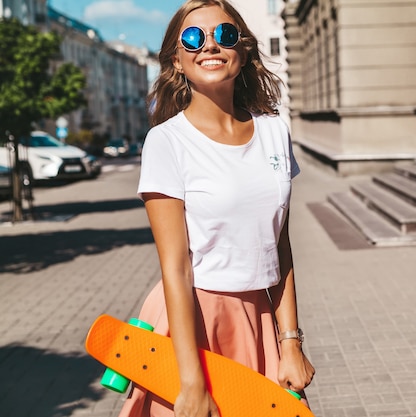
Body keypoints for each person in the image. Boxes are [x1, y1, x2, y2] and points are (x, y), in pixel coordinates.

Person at [117, 1, 315, 416]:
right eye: (193, 38)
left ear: (242, 52)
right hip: (193, 320)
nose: (210, 46)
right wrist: (191, 380)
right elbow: (176, 267)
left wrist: (291, 341)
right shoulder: (167, 142)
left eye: (224, 35)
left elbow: (280, 247)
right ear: (177, 60)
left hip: (259, 317)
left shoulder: (275, 132)